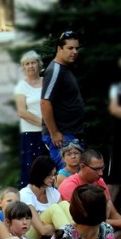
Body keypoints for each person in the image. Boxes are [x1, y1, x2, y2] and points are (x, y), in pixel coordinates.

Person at [41, 31, 85, 168]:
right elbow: (45, 102)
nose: (74, 52)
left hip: (71, 133)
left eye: (77, 48)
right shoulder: (55, 70)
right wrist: (54, 133)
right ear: (59, 49)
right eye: (70, 48)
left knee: (75, 178)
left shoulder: (65, 68)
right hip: (63, 136)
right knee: (65, 177)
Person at [58, 149, 121, 233]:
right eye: (96, 169)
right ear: (82, 166)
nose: (101, 173)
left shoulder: (99, 181)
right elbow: (83, 221)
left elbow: (115, 215)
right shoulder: (69, 185)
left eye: (102, 168)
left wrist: (106, 222)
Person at [20, 156, 72, 239]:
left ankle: (74, 237)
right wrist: (56, 226)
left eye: (54, 174)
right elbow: (42, 230)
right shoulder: (25, 194)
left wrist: (53, 226)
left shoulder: (53, 192)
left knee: (64, 204)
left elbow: (63, 221)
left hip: (52, 235)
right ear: (40, 174)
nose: (53, 178)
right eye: (49, 175)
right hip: (30, 236)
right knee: (54, 208)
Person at [14, 50, 45, 187]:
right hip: (31, 133)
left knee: (48, 168)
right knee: (31, 169)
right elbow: (22, 112)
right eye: (27, 64)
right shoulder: (21, 86)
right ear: (23, 67)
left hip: (49, 132)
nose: (30, 66)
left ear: (39, 65)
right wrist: (43, 124)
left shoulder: (46, 82)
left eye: (33, 63)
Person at [108, 63, 121, 204]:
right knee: (115, 178)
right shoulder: (116, 86)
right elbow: (114, 109)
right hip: (118, 139)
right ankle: (105, 215)